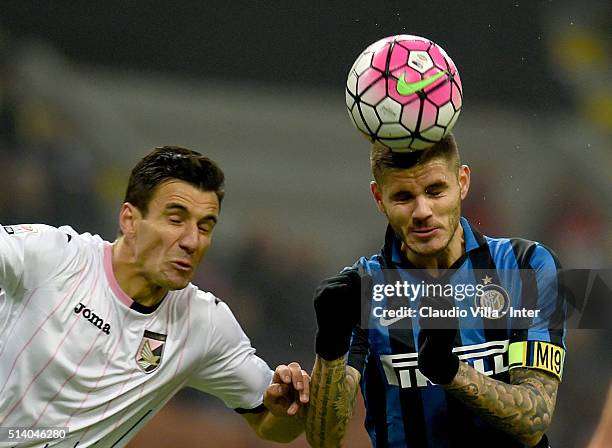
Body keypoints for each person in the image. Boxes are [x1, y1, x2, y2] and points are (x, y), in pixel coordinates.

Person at [0, 146, 309, 447]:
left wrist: (288, 407)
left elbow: (273, 427)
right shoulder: (54, 256)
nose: (192, 241)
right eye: (176, 219)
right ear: (129, 220)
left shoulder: (204, 323)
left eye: (205, 227)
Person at [306, 134, 566, 447]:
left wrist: (449, 371)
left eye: (435, 191)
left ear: (463, 182)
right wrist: (330, 348)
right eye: (403, 196)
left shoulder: (527, 266)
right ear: (379, 198)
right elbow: (324, 437)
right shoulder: (362, 289)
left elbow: (535, 419)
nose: (422, 211)